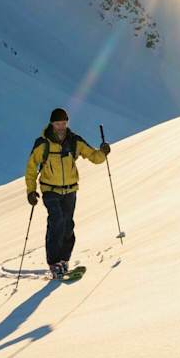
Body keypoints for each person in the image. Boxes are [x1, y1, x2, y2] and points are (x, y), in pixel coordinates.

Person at [24, 108, 111, 279]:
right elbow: (31, 168)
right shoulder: (43, 143)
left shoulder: (74, 141)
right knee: (57, 221)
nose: (61, 127)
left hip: (70, 189)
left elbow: (94, 157)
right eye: (58, 123)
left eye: (64, 123)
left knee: (68, 225)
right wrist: (31, 191)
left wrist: (103, 152)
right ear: (52, 124)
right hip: (50, 189)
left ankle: (64, 260)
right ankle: (54, 262)